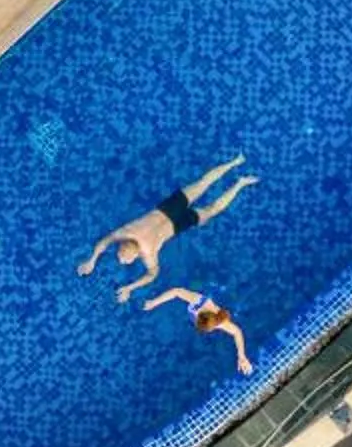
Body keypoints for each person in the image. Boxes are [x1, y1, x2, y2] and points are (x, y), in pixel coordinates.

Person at [79, 154, 257, 301]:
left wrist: (130, 287)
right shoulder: (126, 231)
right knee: (202, 184)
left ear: (135, 254)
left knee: (212, 209)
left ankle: (241, 183)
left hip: (177, 223)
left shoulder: (148, 254)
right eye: (121, 257)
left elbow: (152, 275)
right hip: (168, 208)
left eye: (123, 258)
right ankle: (236, 162)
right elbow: (105, 242)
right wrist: (92, 260)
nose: (121, 261)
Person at [143, 286, 252, 374]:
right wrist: (154, 302)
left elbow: (237, 332)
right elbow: (176, 291)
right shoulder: (199, 301)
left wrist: (241, 355)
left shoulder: (219, 322)